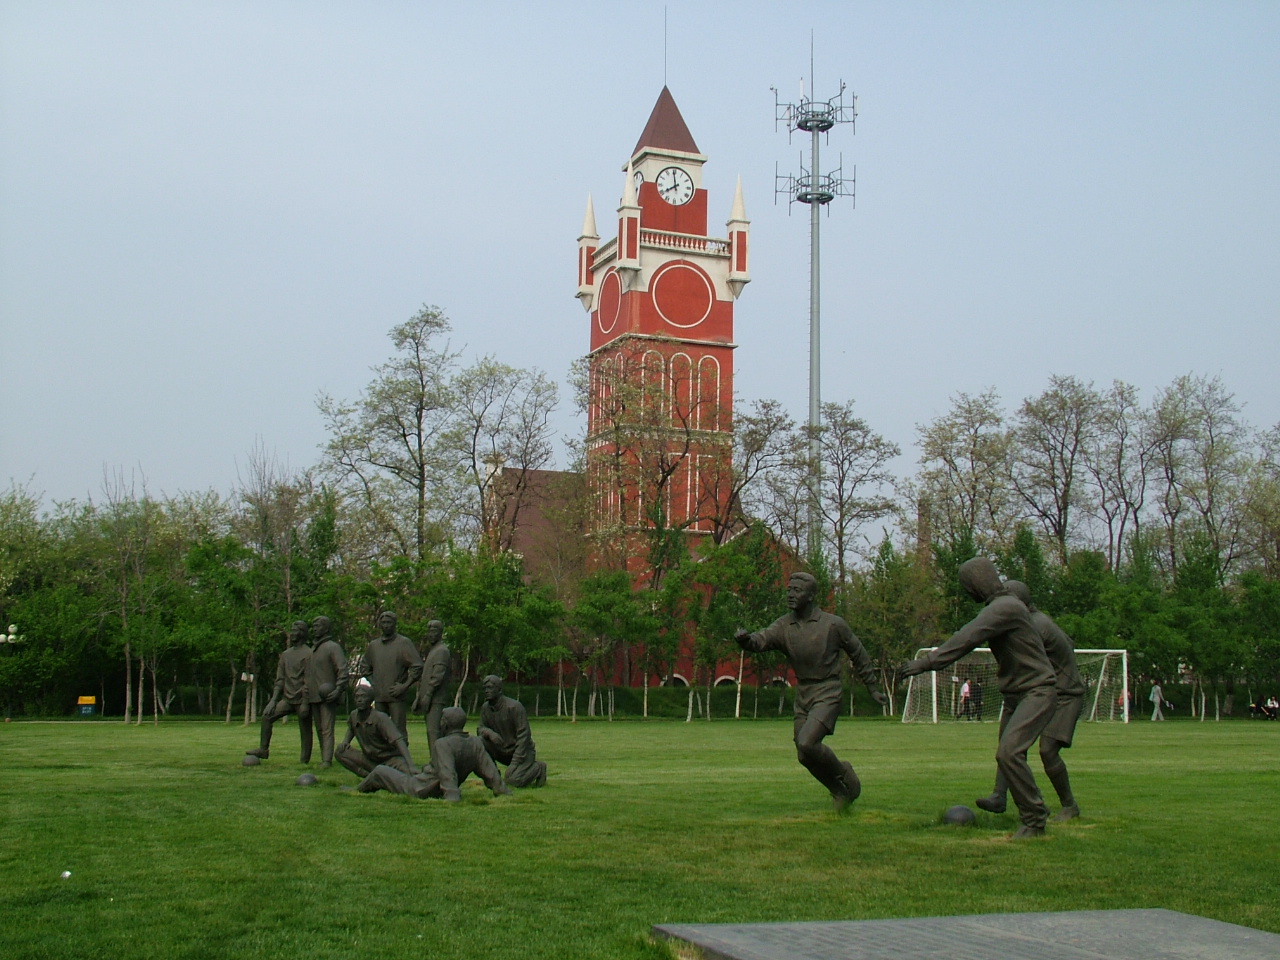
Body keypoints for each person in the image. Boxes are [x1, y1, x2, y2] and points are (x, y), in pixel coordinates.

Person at [901, 558, 1057, 838]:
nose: (966, 593)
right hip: (1016, 694)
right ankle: (1000, 797)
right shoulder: (1005, 606)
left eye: (966, 587)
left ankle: (1035, 819)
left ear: (976, 584)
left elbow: (967, 637)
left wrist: (926, 663)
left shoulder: (1005, 607)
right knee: (1007, 752)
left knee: (1009, 752)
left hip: (1037, 691)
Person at [735, 571, 888, 811]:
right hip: (804, 693)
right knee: (804, 754)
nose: (791, 595)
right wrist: (745, 640)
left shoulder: (833, 624)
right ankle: (839, 791)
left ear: (812, 595)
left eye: (797, 590)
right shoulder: (785, 625)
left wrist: (872, 687)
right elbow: (761, 639)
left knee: (807, 742)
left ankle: (844, 772)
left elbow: (858, 653)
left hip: (828, 690)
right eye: (789, 589)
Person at [976, 580, 1085, 822]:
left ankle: (1069, 805)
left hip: (1065, 694)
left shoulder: (1036, 625)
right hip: (1034, 691)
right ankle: (1000, 796)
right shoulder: (1032, 621)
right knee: (1010, 743)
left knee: (1047, 751)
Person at [355, 707, 512, 802]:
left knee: (380, 771)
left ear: (446, 723)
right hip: (428, 782)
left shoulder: (443, 744)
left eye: (442, 720)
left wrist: (452, 795)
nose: (440, 723)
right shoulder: (475, 743)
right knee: (400, 771)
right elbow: (490, 772)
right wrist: (501, 789)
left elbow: (447, 773)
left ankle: (356, 791)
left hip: (419, 788)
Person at [245, 621, 313, 763]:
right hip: (287, 699)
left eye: (295, 631)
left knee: (305, 729)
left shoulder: (309, 654)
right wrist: (273, 701)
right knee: (267, 716)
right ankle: (264, 750)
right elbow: (280, 680)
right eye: (292, 630)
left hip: (302, 698)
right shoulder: (285, 655)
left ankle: (304, 760)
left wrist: (306, 702)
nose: (292, 633)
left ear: (302, 633)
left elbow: (309, 680)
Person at [335, 679, 415, 778]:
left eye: (363, 696)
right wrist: (345, 742)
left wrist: (411, 765)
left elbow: (398, 740)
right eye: (357, 697)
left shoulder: (380, 718)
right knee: (340, 751)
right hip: (369, 759)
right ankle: (369, 776)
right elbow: (351, 728)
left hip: (389, 760)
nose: (359, 699)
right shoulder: (353, 715)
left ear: (370, 699)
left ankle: (383, 776)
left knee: (410, 777)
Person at [477, 675, 547, 788]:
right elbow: (480, 728)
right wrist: (490, 733)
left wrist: (515, 762)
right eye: (485, 688)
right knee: (479, 741)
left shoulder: (514, 707)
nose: (486, 691)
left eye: (490, 688)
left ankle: (538, 768)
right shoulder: (485, 708)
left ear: (499, 690)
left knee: (513, 781)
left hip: (522, 753)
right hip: (501, 750)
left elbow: (524, 736)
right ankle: (494, 776)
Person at [363, 611, 423, 739]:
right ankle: (381, 756)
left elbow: (417, 666)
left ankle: (401, 756)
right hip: (379, 696)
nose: (386, 625)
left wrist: (404, 686)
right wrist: (374, 684)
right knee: (378, 729)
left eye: (389, 622)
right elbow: (365, 667)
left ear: (395, 624)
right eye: (383, 622)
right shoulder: (374, 646)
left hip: (396, 696)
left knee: (398, 730)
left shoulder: (404, 643)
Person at [305, 615, 349, 767]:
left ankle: (327, 760)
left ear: (327, 628)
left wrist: (337, 690)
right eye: (314, 626)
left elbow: (343, 671)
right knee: (319, 728)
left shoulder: (333, 647)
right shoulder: (313, 650)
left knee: (327, 728)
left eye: (319, 625)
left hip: (328, 696)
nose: (315, 628)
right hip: (314, 696)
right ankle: (325, 755)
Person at [413, 619, 451, 767]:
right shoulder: (433, 651)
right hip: (429, 697)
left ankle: (438, 765)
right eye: (429, 631)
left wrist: (428, 694)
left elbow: (437, 676)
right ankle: (435, 763)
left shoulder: (442, 651)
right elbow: (426, 677)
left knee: (434, 732)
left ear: (440, 633)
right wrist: (419, 697)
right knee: (431, 732)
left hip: (436, 699)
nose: (430, 634)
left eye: (434, 631)